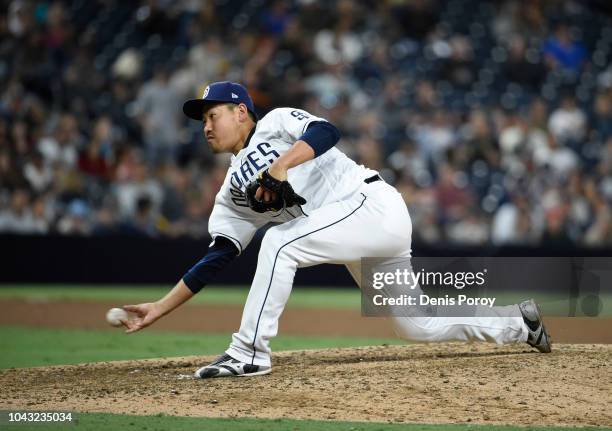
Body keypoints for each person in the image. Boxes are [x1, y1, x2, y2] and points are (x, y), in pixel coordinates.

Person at [120, 81, 551, 379]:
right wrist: (162, 305)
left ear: (240, 112)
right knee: (416, 325)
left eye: (213, 115)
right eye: (202, 121)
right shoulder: (232, 189)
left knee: (280, 241)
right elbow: (219, 254)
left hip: (370, 205)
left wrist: (282, 164)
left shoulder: (274, 123)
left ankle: (249, 354)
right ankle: (518, 322)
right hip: (356, 234)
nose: (207, 127)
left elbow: (327, 130)